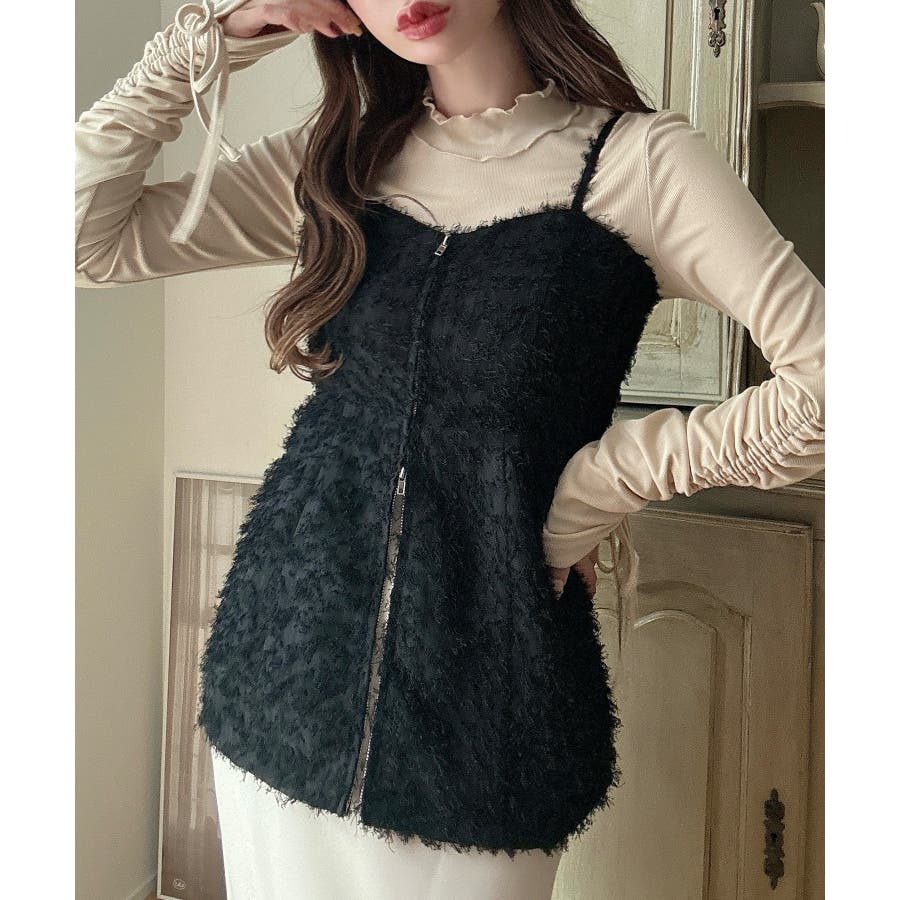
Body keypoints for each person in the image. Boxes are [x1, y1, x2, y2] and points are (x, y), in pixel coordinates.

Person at [75, 1, 825, 897]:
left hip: (489, 705)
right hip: (282, 665)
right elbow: (80, 239)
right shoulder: (342, 160)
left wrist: (597, 485)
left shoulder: (640, 165)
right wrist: (209, 39)